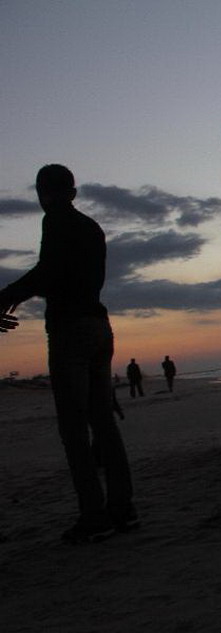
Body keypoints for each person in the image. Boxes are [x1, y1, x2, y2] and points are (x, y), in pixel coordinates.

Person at [0, 164, 137, 543]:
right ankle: (123, 509)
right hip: (99, 328)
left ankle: (95, 517)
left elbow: (49, 272)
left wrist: (8, 296)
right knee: (103, 423)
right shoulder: (91, 227)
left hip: (71, 331)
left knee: (74, 428)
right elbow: (69, 275)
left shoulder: (56, 221)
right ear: (73, 192)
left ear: (45, 194)